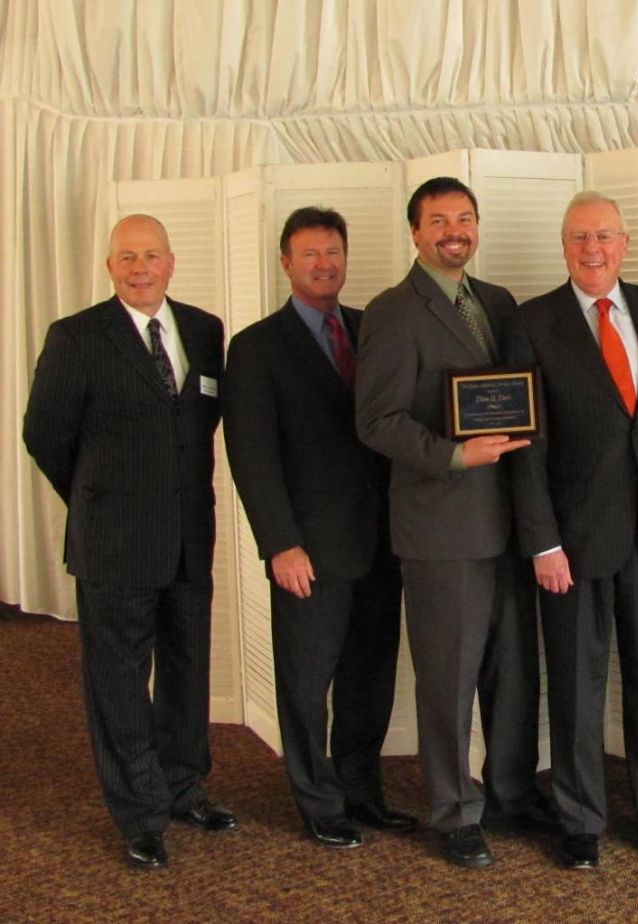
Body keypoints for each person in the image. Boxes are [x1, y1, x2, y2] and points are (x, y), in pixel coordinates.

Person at [23, 214, 236, 869]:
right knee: (118, 681)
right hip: (113, 541)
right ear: (109, 266)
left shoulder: (204, 330)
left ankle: (183, 787)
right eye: (126, 257)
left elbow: (200, 423)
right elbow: (45, 434)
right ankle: (140, 813)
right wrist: (97, 499)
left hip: (189, 537)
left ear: (170, 262)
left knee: (186, 668)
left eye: (151, 255)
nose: (140, 268)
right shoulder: (77, 337)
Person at [355, 177, 551, 869]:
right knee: (448, 678)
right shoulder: (391, 311)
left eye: (464, 217)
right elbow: (376, 420)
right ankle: (454, 810)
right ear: (414, 231)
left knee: (513, 672)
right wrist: (454, 454)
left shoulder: (497, 302)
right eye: (438, 220)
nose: (453, 231)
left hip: (510, 521)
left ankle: (511, 792)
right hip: (440, 525)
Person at [506, 192, 638, 870]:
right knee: (577, 688)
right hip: (571, 543)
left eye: (604, 236)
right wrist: (542, 541)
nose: (593, 249)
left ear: (625, 243)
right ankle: (580, 821)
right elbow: (525, 445)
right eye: (580, 237)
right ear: (564, 246)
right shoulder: (532, 321)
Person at [222, 207, 416, 849]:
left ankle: (362, 792)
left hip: (383, 542)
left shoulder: (371, 329)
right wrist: (280, 543)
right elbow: (252, 456)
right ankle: (317, 801)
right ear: (286, 262)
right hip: (308, 550)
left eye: (333, 252)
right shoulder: (256, 347)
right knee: (307, 684)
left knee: (370, 677)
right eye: (309, 254)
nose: (323, 264)